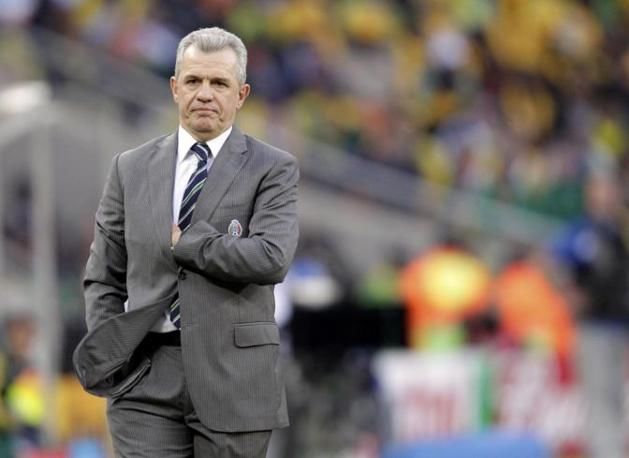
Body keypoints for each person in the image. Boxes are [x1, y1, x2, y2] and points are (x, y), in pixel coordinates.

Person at [73, 27, 299, 458]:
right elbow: (103, 276)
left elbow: (271, 257)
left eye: (219, 83)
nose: (205, 94)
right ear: (175, 88)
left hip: (235, 380)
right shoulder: (129, 168)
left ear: (241, 94)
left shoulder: (273, 168)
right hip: (145, 378)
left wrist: (190, 242)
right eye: (194, 81)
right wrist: (114, 350)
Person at [551, 169, 629, 458]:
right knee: (599, 396)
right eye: (602, 189)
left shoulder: (619, 230)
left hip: (620, 325)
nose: (608, 196)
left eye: (612, 189)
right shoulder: (583, 231)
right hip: (594, 326)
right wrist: (569, 294)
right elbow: (554, 261)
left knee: (616, 397)